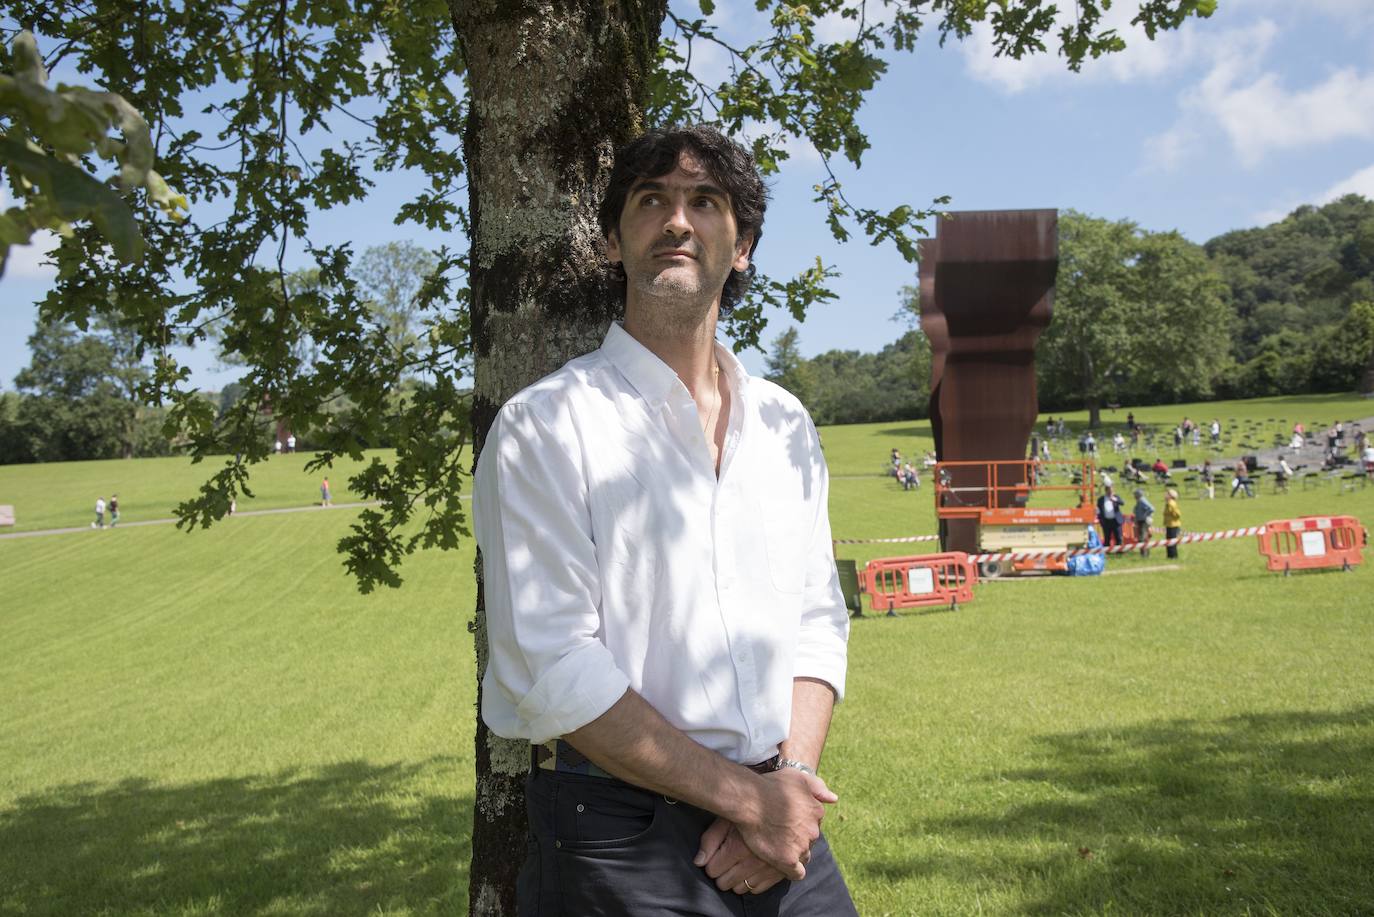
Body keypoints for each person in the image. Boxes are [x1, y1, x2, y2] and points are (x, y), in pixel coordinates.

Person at [473, 125, 856, 915]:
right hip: (617, 834)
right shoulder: (546, 426)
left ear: (741, 245)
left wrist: (782, 792)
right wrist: (750, 805)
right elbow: (553, 667)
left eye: (705, 202)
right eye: (652, 200)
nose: (677, 220)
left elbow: (819, 617)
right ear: (615, 242)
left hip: (779, 816)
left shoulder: (785, 423)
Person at [1131, 488, 1154, 557]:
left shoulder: (1142, 500)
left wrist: (1145, 515)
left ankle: (1144, 554)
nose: (1134, 496)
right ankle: (1144, 553)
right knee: (1142, 537)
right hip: (1140, 521)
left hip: (1143, 521)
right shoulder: (1139, 501)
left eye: (1135, 494)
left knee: (1142, 538)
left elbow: (1151, 508)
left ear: (1138, 495)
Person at [1163, 488, 1182, 559]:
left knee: (1172, 541)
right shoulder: (1168, 503)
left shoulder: (1171, 503)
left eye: (1167, 494)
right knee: (1169, 541)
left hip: (1173, 525)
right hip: (1169, 524)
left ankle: (1173, 556)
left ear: (1170, 496)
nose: (1165, 495)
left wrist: (1173, 515)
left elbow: (1177, 514)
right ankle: (1170, 556)